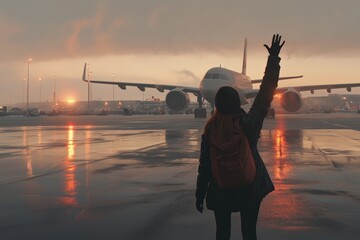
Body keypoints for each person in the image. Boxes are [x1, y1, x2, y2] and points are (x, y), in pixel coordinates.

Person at [195, 34, 285, 240]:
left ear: (216, 104)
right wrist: (273, 60)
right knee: (249, 233)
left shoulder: (209, 130)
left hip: (220, 189)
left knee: (222, 234)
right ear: (238, 102)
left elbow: (204, 166)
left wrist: (200, 193)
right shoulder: (248, 125)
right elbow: (264, 95)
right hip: (249, 189)